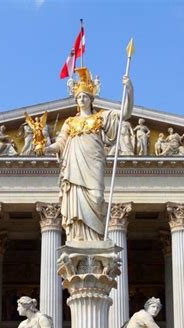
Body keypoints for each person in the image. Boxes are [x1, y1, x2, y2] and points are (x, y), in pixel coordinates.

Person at [40, 67, 133, 241]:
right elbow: (60, 144)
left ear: (91, 99)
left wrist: (129, 90)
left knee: (97, 197)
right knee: (75, 202)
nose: (82, 99)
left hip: (93, 163)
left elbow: (125, 113)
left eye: (85, 96)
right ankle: (78, 238)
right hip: (74, 165)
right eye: (79, 97)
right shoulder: (70, 122)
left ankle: (96, 239)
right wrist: (46, 148)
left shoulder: (100, 117)